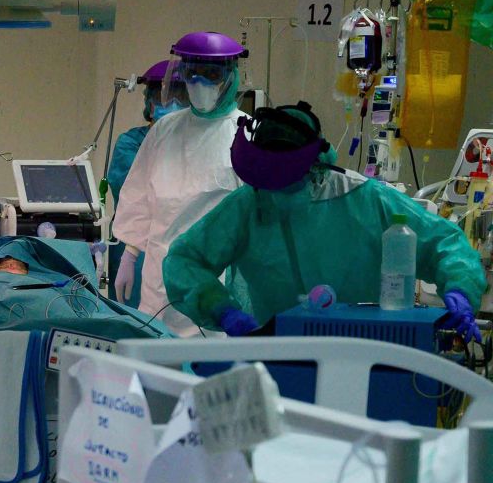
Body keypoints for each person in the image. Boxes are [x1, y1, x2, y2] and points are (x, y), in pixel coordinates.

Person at [164, 102, 487, 339]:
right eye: (267, 180)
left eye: (286, 179)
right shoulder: (250, 204)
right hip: (274, 348)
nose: (276, 192)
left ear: (317, 165)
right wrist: (222, 309)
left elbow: (444, 242)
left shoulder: (366, 199)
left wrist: (459, 288)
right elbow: (184, 260)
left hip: (363, 350)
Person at [112, 32, 248, 335]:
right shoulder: (164, 131)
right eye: (191, 73)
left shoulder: (246, 134)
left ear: (230, 77)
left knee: (207, 372)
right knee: (157, 365)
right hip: (158, 280)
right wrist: (130, 254)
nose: (198, 83)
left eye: (210, 75)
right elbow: (139, 198)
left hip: (216, 283)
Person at [104, 60, 188, 306]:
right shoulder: (131, 143)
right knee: (137, 319)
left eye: (180, 98)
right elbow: (136, 195)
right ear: (150, 103)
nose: (171, 105)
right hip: (137, 244)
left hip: (181, 245)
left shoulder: (195, 145)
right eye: (162, 98)